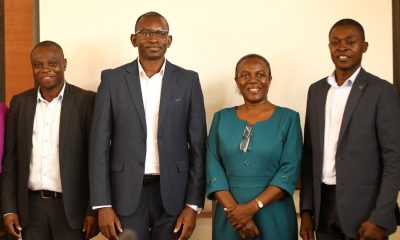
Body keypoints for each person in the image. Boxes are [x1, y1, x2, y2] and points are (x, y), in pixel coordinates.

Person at [89, 11, 207, 240]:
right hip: (125, 195)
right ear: (134, 39)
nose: (154, 39)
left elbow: (199, 147)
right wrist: (102, 204)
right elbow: (99, 146)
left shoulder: (188, 80)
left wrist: (193, 205)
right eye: (146, 33)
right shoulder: (112, 80)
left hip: (174, 194)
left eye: (160, 33)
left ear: (169, 40)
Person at [300, 18, 400, 240]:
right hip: (324, 209)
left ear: (364, 47)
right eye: (335, 42)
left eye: (350, 41)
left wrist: (380, 218)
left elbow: (394, 160)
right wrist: (307, 210)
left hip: (367, 215)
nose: (342, 47)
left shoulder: (382, 91)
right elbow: (310, 155)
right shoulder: (316, 91)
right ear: (329, 47)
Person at [0, 41, 98, 240]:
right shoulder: (19, 103)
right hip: (31, 209)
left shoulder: (86, 101)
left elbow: (96, 159)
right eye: (38, 65)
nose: (45, 69)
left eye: (52, 63)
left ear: (65, 64)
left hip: (72, 208)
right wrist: (8, 209)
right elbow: (11, 160)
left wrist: (92, 209)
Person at [206, 54, 302, 240]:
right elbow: (213, 168)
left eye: (260, 74)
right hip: (229, 215)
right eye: (245, 75)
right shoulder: (221, 118)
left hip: (275, 213)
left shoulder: (289, 119)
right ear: (236, 80)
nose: (253, 80)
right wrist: (236, 213)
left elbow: (290, 170)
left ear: (270, 79)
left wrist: (250, 209)